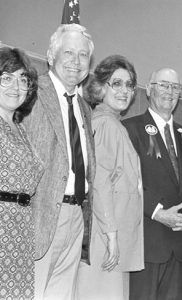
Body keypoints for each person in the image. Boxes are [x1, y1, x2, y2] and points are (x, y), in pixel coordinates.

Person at [23, 24, 96, 300]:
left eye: (82, 55)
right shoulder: (30, 94)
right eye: (68, 52)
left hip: (76, 216)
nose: (76, 62)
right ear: (51, 55)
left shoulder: (84, 107)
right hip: (38, 217)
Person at [123, 68, 182, 300]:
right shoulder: (130, 129)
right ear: (149, 90)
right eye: (163, 85)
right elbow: (127, 182)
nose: (169, 92)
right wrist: (158, 212)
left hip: (180, 242)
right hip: (147, 243)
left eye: (175, 87)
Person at [77, 55, 144, 300]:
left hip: (110, 234)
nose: (124, 90)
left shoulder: (114, 124)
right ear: (100, 87)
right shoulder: (105, 124)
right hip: (104, 237)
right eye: (116, 83)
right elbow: (98, 183)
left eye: (129, 84)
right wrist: (111, 236)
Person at [0, 47, 44, 299]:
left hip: (20, 233)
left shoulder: (19, 128)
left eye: (22, 78)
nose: (16, 86)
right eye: (6, 77)